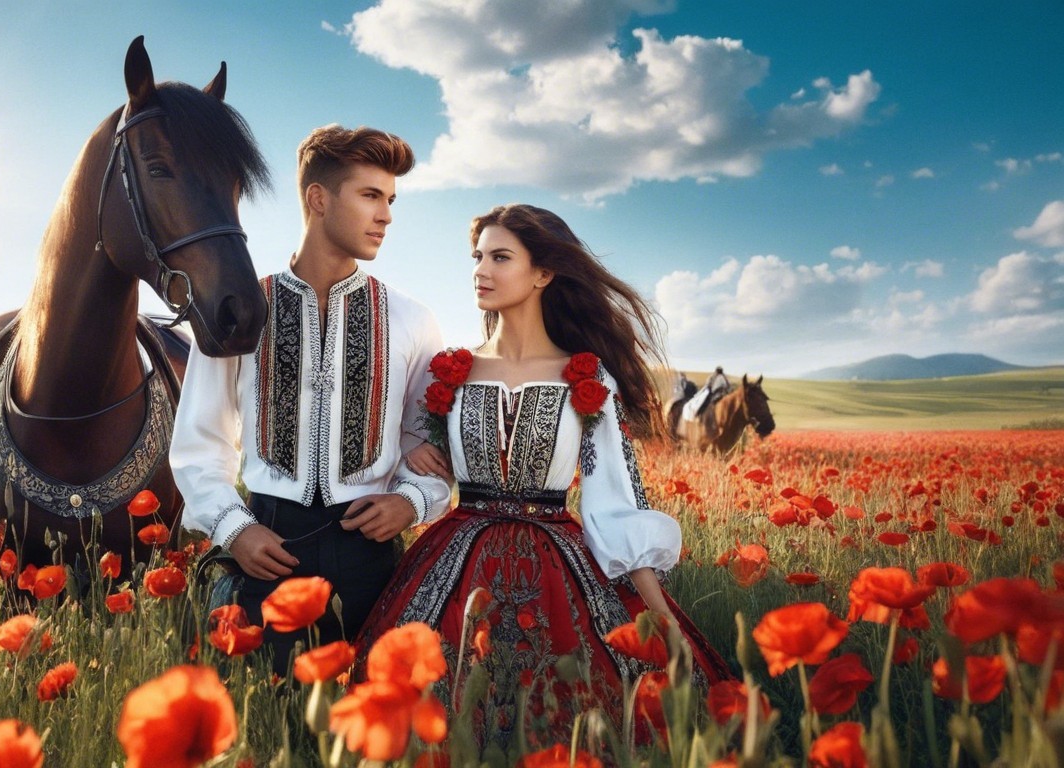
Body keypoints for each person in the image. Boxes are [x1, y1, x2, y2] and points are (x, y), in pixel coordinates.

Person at [357, 204, 732, 752]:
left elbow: (615, 500)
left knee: (577, 720)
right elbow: (418, 461)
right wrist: (411, 451)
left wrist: (663, 618)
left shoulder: (586, 376)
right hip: (456, 558)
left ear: (543, 273)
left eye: (500, 257)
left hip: (557, 558)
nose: (480, 270)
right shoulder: (450, 371)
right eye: (477, 256)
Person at [170, 125, 451, 674]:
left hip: (374, 558)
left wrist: (411, 502)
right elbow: (199, 444)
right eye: (370, 195)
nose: (387, 215)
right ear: (317, 199)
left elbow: (432, 446)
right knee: (269, 727)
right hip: (268, 548)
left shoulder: (414, 320)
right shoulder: (240, 308)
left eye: (391, 199)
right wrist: (234, 527)